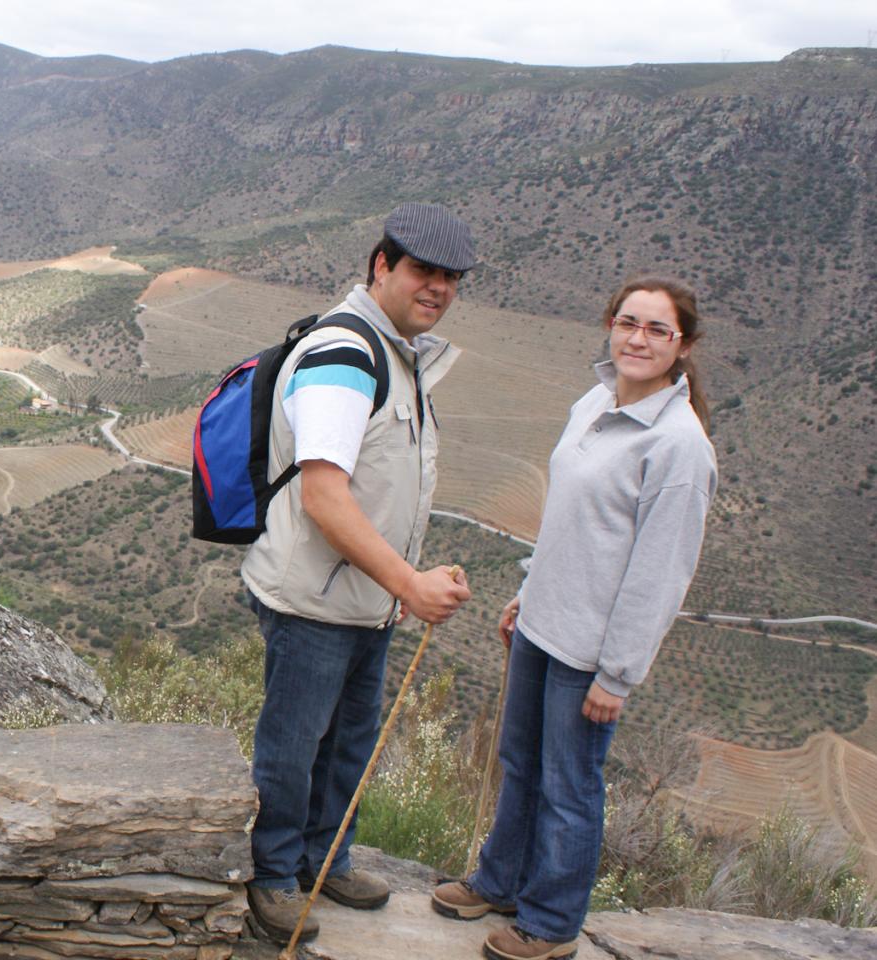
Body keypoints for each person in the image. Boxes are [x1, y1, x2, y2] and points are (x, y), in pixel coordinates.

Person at [430, 277, 717, 960]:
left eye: (657, 330)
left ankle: (552, 923)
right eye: (629, 323)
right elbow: (569, 518)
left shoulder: (679, 446)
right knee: (520, 763)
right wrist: (529, 590)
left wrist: (617, 674)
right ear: (609, 326)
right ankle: (500, 882)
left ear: (683, 345)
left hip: (589, 649)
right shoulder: (596, 402)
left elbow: (660, 573)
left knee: (570, 785)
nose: (638, 339)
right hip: (542, 623)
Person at [243, 203, 475, 943]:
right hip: (314, 600)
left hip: (362, 600)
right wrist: (411, 584)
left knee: (347, 741)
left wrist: (398, 584)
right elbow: (324, 496)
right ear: (382, 266)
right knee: (295, 744)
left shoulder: (397, 351)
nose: (436, 288)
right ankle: (275, 878)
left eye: (450, 278)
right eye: (421, 271)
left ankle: (324, 859)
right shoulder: (347, 354)